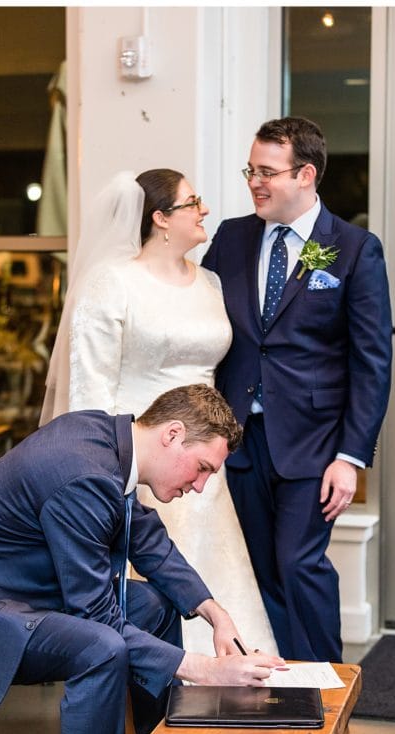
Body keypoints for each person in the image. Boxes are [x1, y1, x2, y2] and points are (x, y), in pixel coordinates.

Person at [0, 384, 286, 734]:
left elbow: (148, 542)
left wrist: (217, 615)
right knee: (102, 647)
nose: (199, 485)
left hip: (25, 587)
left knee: (156, 606)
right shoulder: (84, 475)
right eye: (202, 468)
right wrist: (207, 670)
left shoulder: (111, 441)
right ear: (172, 434)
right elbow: (96, 617)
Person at [41, 169, 277, 658]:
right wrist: (116, 473)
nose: (205, 210)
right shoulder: (111, 283)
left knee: (217, 579)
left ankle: (229, 679)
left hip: (205, 465)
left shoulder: (210, 283)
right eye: (194, 202)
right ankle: (163, 680)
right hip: (144, 460)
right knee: (149, 586)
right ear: (161, 219)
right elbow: (90, 391)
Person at [202, 116, 392, 663]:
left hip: (313, 445)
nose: (255, 183)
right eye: (250, 170)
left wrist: (350, 457)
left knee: (298, 563)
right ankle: (281, 694)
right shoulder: (234, 238)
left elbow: (372, 361)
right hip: (237, 439)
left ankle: (328, 695)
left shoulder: (353, 249)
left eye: (268, 172)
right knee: (258, 570)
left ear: (306, 174)